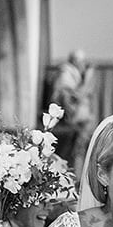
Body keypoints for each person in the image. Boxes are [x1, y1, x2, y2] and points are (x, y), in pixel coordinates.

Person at [49, 48, 96, 176]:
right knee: (74, 150)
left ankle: (80, 177)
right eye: (80, 61)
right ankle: (74, 178)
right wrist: (87, 80)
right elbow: (72, 97)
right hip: (72, 119)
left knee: (81, 149)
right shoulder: (66, 73)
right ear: (74, 61)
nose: (83, 64)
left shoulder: (79, 74)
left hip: (83, 118)